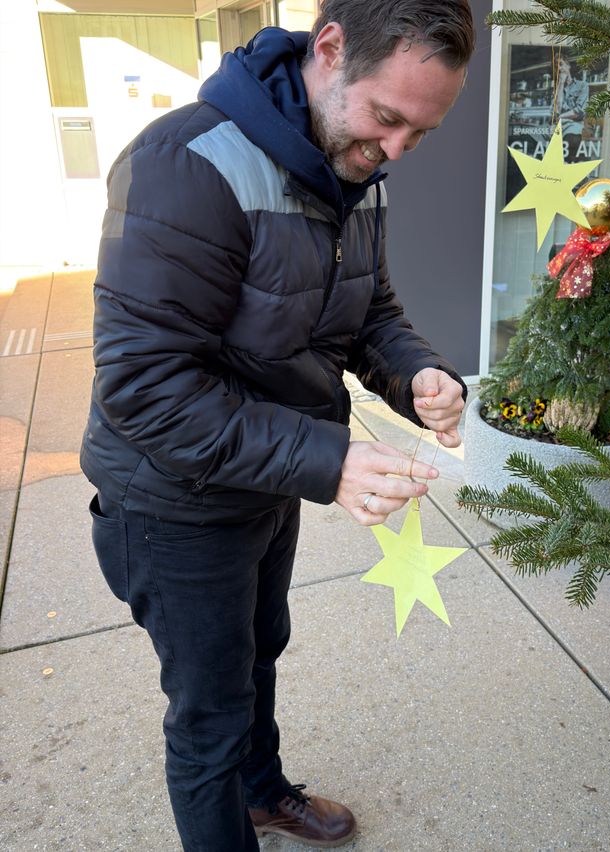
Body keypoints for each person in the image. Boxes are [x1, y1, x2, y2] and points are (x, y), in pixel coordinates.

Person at [80, 2, 475, 849]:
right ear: (328, 50)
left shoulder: (356, 165)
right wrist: (328, 460)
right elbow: (145, 387)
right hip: (173, 502)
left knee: (259, 650)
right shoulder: (185, 166)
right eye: (388, 118)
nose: (397, 150)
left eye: (421, 133)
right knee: (209, 717)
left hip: (265, 479)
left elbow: (369, 310)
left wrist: (418, 374)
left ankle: (264, 792)